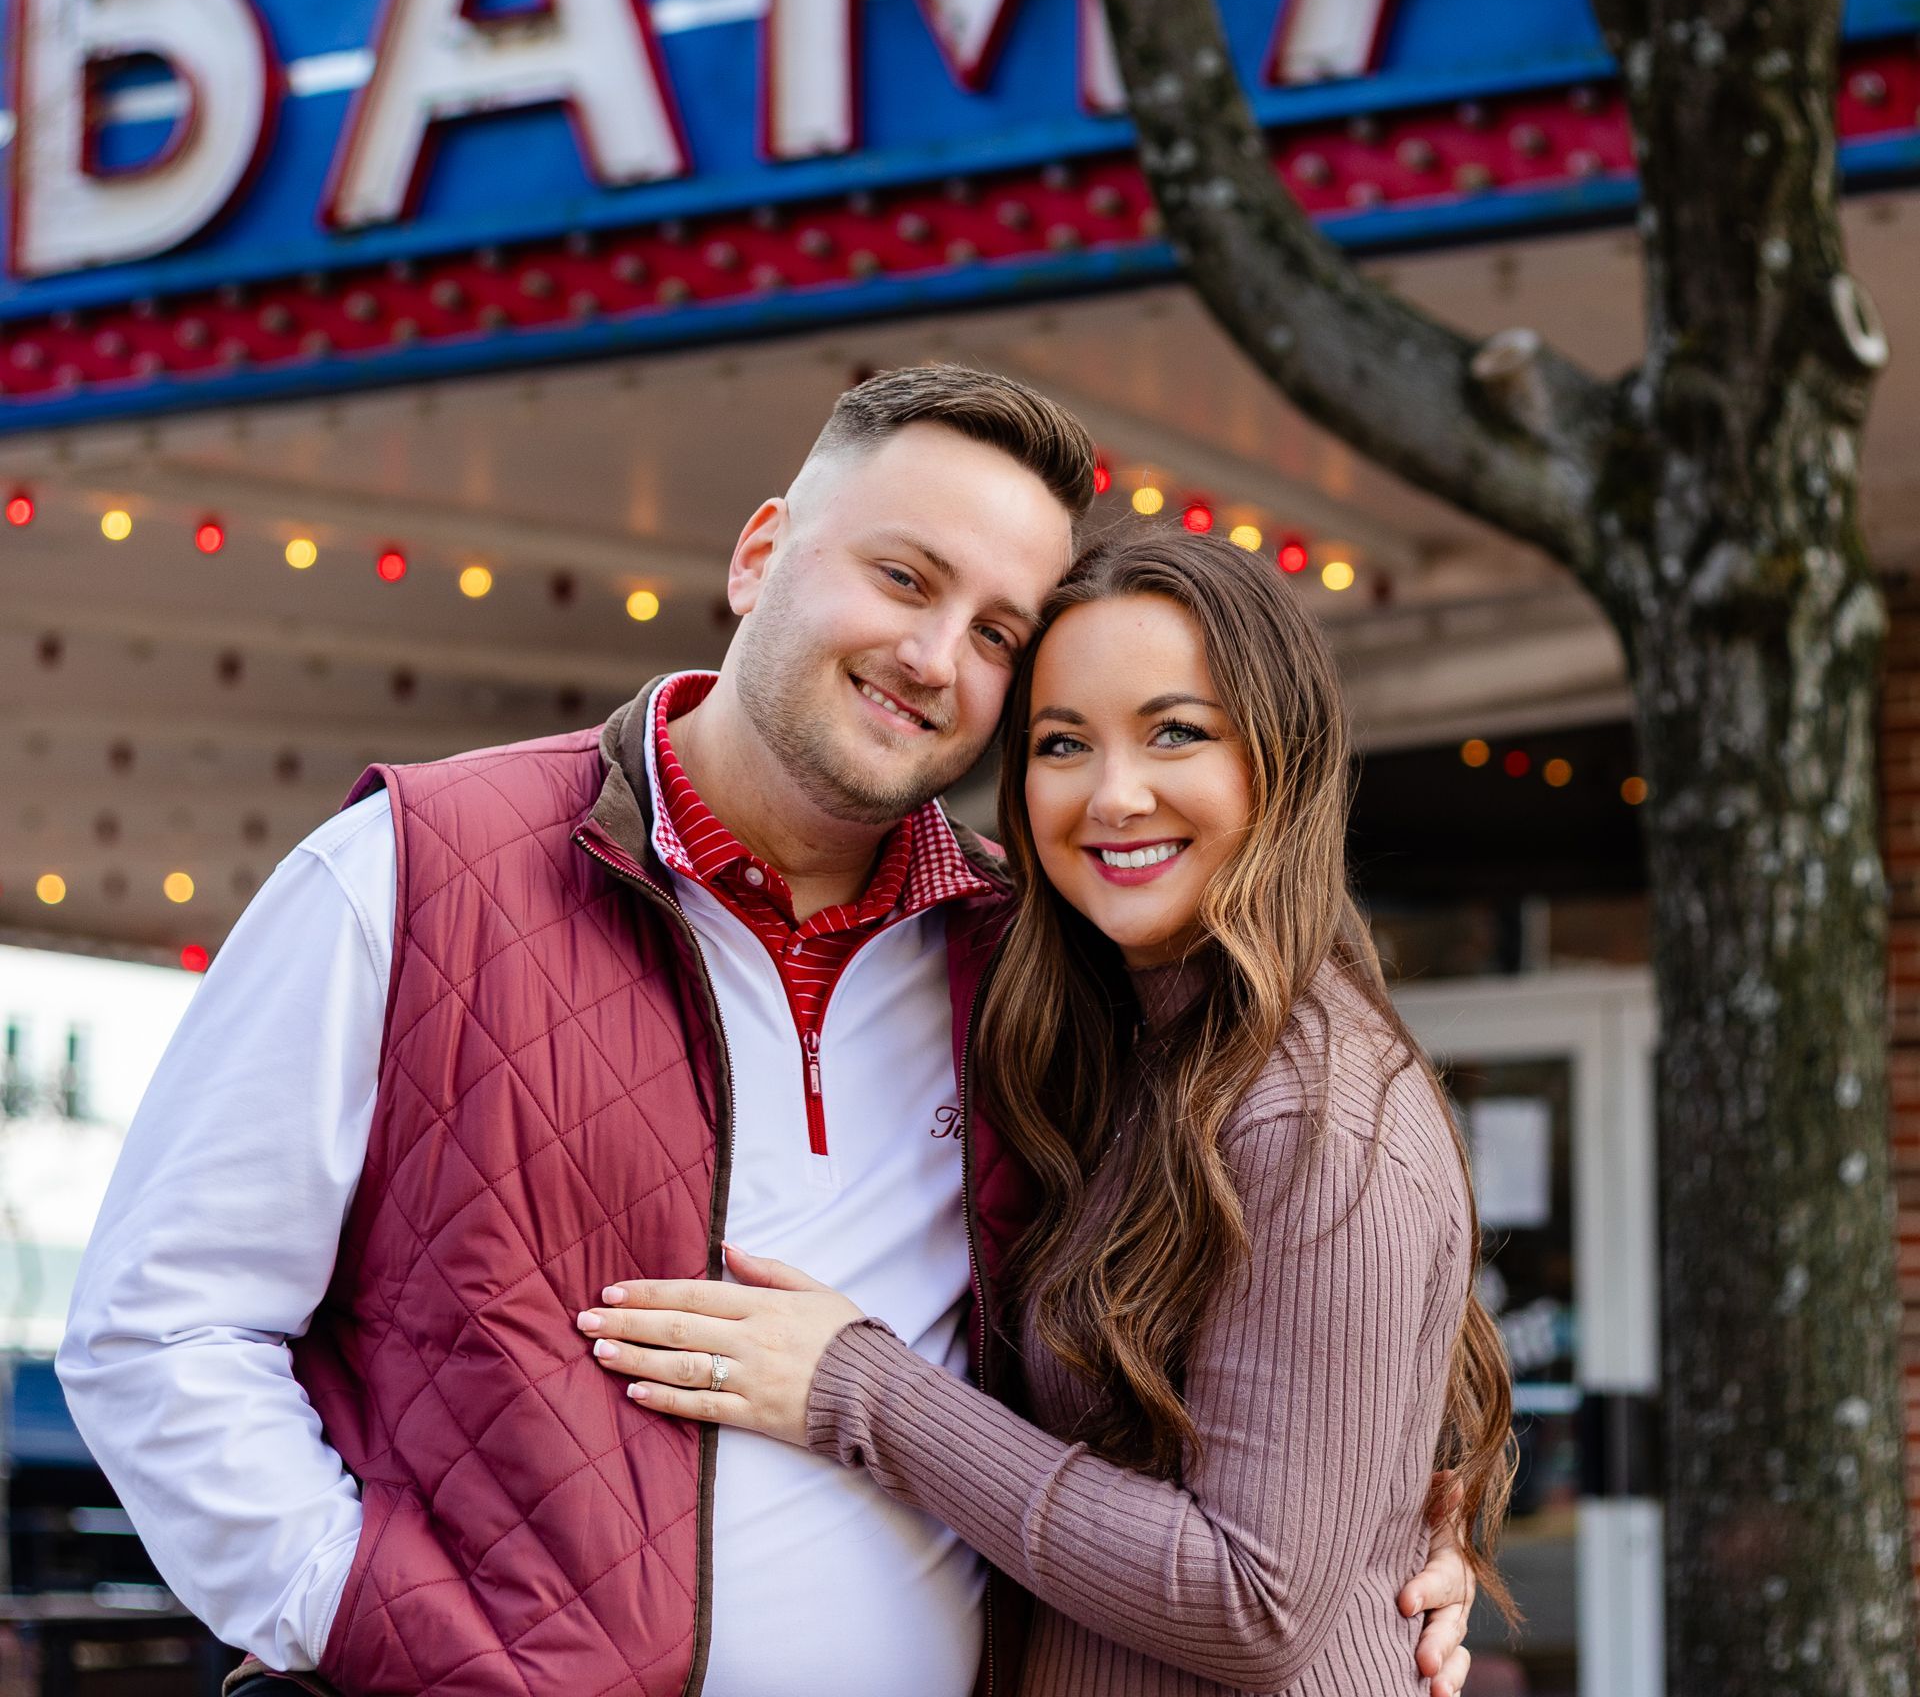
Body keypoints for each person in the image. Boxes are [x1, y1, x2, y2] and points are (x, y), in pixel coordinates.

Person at [59, 366, 1478, 1697]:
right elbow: (158, 1328)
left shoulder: (1031, 960)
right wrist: (364, 1616)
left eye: (996, 636)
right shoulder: (410, 871)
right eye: (902, 577)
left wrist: (1406, 1529)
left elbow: (1295, 1303)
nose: (933, 656)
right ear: (761, 557)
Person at [576, 526, 1515, 1695]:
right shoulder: (1122, 1041)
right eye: (1063, 743)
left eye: (1177, 731)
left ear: (1283, 758)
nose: (1116, 797)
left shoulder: (1311, 1114)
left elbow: (1256, 1604)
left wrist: (857, 1388)